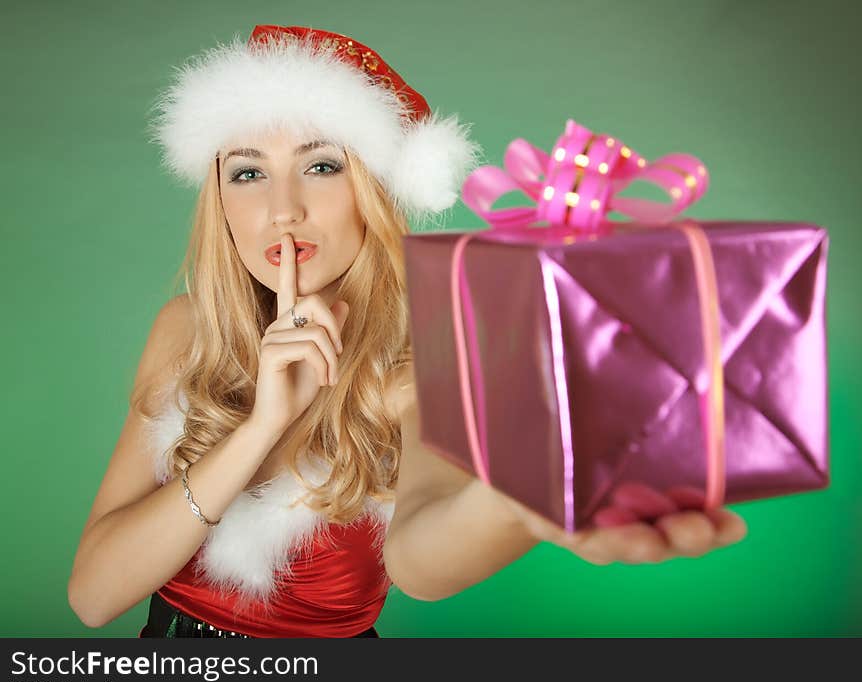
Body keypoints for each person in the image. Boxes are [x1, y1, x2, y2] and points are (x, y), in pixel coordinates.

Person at [67, 24, 747, 639]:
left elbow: (421, 558)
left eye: (321, 165)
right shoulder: (187, 331)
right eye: (248, 173)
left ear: (374, 189)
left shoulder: (420, 354)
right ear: (219, 200)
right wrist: (259, 429)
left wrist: (517, 505)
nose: (282, 210)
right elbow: (93, 598)